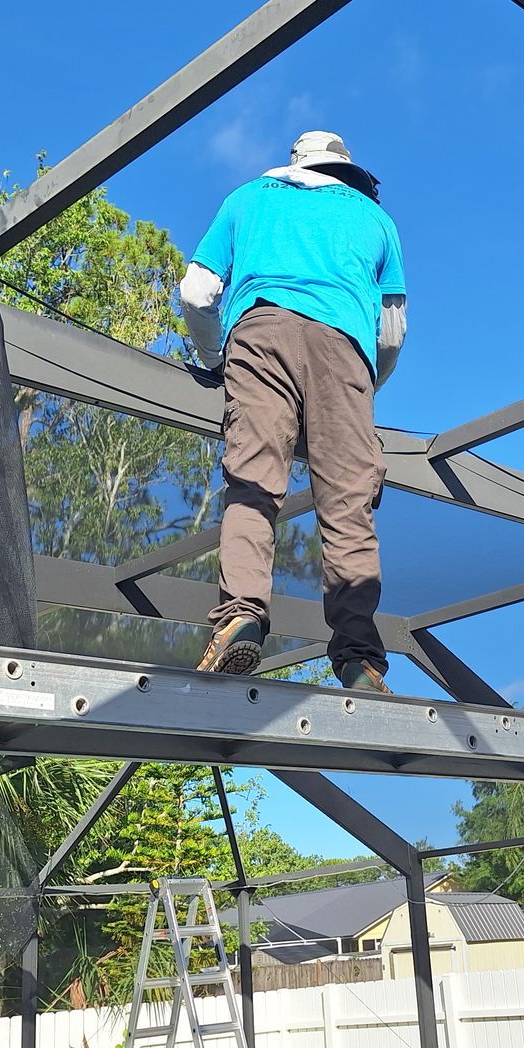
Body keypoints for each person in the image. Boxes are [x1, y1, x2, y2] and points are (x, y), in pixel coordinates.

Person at [178, 130, 407, 692]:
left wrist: (215, 357)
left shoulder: (247, 199)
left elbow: (197, 291)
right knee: (349, 501)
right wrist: (356, 390)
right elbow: (393, 329)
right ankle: (358, 657)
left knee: (253, 482)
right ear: (348, 171)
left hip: (259, 332)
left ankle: (241, 618)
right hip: (346, 348)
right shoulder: (377, 221)